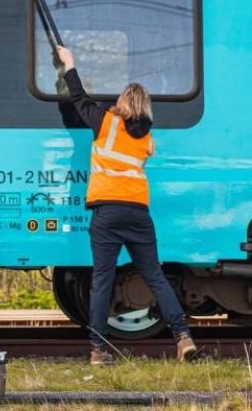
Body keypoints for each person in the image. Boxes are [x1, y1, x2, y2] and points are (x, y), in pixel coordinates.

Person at [56, 46, 197, 365]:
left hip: (107, 212)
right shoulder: (146, 139)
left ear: (121, 103)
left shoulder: (105, 123)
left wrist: (70, 65)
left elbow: (78, 98)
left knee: (102, 279)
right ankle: (183, 336)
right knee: (155, 276)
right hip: (137, 213)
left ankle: (97, 350)